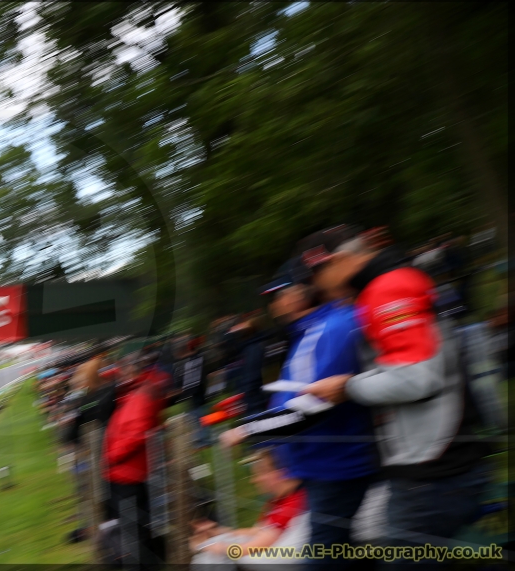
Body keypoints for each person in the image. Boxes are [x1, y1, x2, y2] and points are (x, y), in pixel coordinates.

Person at [301, 226, 492, 565]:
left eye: (317, 273)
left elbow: (417, 378)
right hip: (434, 466)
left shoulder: (388, 288)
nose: (316, 285)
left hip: (434, 471)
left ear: (341, 260)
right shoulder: (386, 285)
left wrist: (346, 388)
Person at [222, 252, 379, 571]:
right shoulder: (309, 332)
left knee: (323, 560)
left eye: (277, 296)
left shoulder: (330, 329)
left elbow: (307, 409)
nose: (274, 305)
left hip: (336, 466)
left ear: (298, 293)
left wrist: (248, 429)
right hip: (322, 466)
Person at [190, 447, 308, 569]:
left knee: (212, 556)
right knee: (218, 545)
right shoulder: (277, 500)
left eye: (260, 473)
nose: (254, 480)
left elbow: (260, 543)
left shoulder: (293, 501)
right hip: (275, 554)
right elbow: (257, 531)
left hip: (286, 559)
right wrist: (219, 532)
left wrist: (208, 546)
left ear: (279, 473)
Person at [102, 374, 166, 568]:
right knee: (131, 527)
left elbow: (138, 434)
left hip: (126, 475)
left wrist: (112, 456)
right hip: (123, 474)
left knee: (134, 530)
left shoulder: (139, 400)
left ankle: (145, 564)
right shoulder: (134, 400)